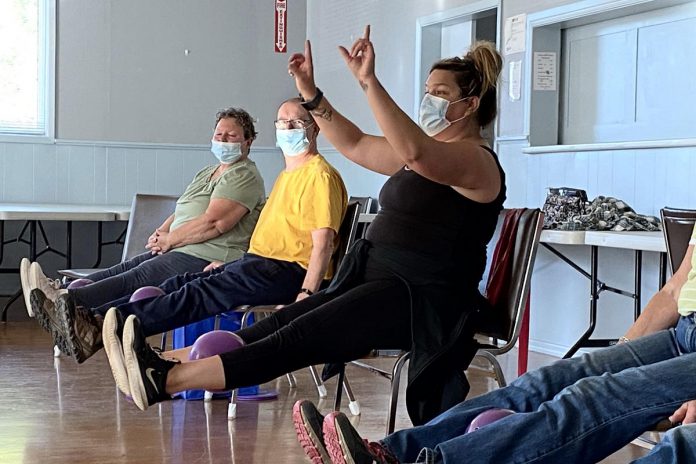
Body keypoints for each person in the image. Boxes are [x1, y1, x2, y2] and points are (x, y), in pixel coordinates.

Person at [99, 26, 507, 418]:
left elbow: (416, 152)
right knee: (282, 321)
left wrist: (369, 83)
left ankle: (166, 380)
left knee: (297, 336)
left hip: (421, 301)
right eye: (426, 91)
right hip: (375, 282)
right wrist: (311, 96)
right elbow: (355, 143)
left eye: (440, 94)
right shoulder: (424, 155)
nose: (428, 101)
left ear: (470, 105)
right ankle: (163, 364)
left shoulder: (476, 162)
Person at [291, 220, 696, 464]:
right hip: (685, 333)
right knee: (552, 379)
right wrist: (621, 352)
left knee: (594, 397)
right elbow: (676, 289)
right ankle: (394, 453)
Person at [31, 97, 348, 367]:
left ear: (315, 128)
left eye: (297, 123)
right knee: (180, 283)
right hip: (260, 263)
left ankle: (97, 324)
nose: (288, 130)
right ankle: (91, 318)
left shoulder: (319, 176)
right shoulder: (288, 176)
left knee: (194, 294)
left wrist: (305, 297)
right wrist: (232, 264)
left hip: (289, 272)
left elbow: (322, 246)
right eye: (282, 123)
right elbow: (271, 239)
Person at [20, 107, 266, 316]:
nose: (222, 140)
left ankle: (64, 303)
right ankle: (63, 290)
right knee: (124, 268)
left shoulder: (243, 175)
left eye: (231, 136)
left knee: (136, 278)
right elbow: (184, 206)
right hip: (182, 245)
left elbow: (215, 222)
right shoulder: (208, 171)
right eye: (218, 134)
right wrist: (161, 233)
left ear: (248, 141)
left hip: (206, 255)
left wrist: (171, 239)